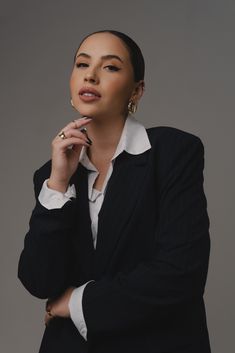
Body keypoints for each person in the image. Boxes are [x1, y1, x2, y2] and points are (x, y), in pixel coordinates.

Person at [18, 30, 211, 353]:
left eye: (110, 67)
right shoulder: (51, 175)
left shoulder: (172, 152)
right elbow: (40, 280)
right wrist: (58, 184)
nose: (91, 75)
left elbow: (181, 274)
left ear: (136, 91)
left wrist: (76, 302)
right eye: (82, 64)